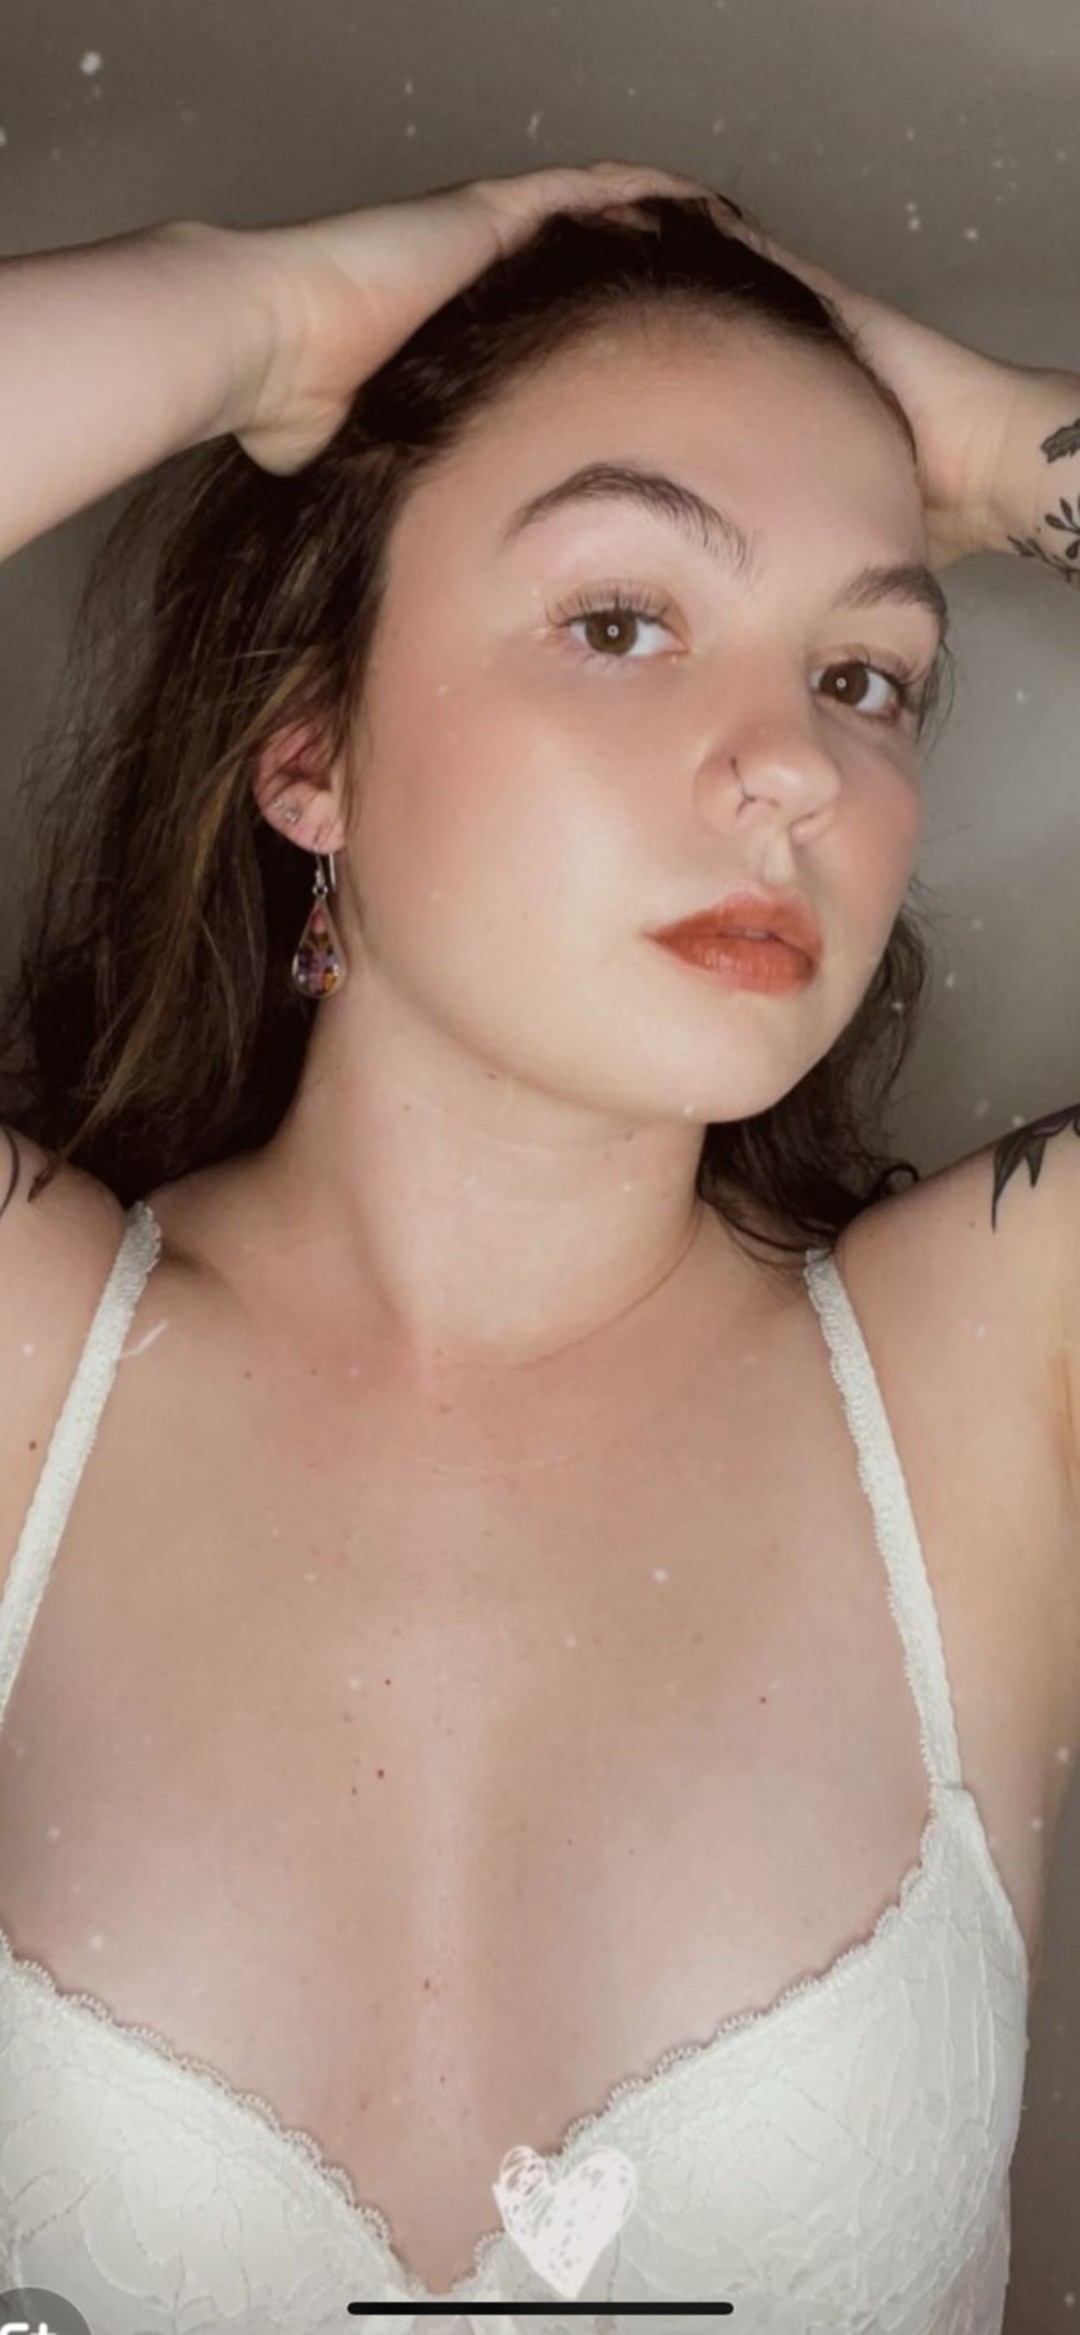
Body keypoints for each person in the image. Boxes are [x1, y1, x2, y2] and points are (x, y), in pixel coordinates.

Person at [0, 159, 1077, 2335]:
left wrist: (990, 444)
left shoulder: (997, 1364)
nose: (792, 770)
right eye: (620, 622)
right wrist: (251, 319)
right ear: (309, 752)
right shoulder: (29, 1365)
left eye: (866, 673)